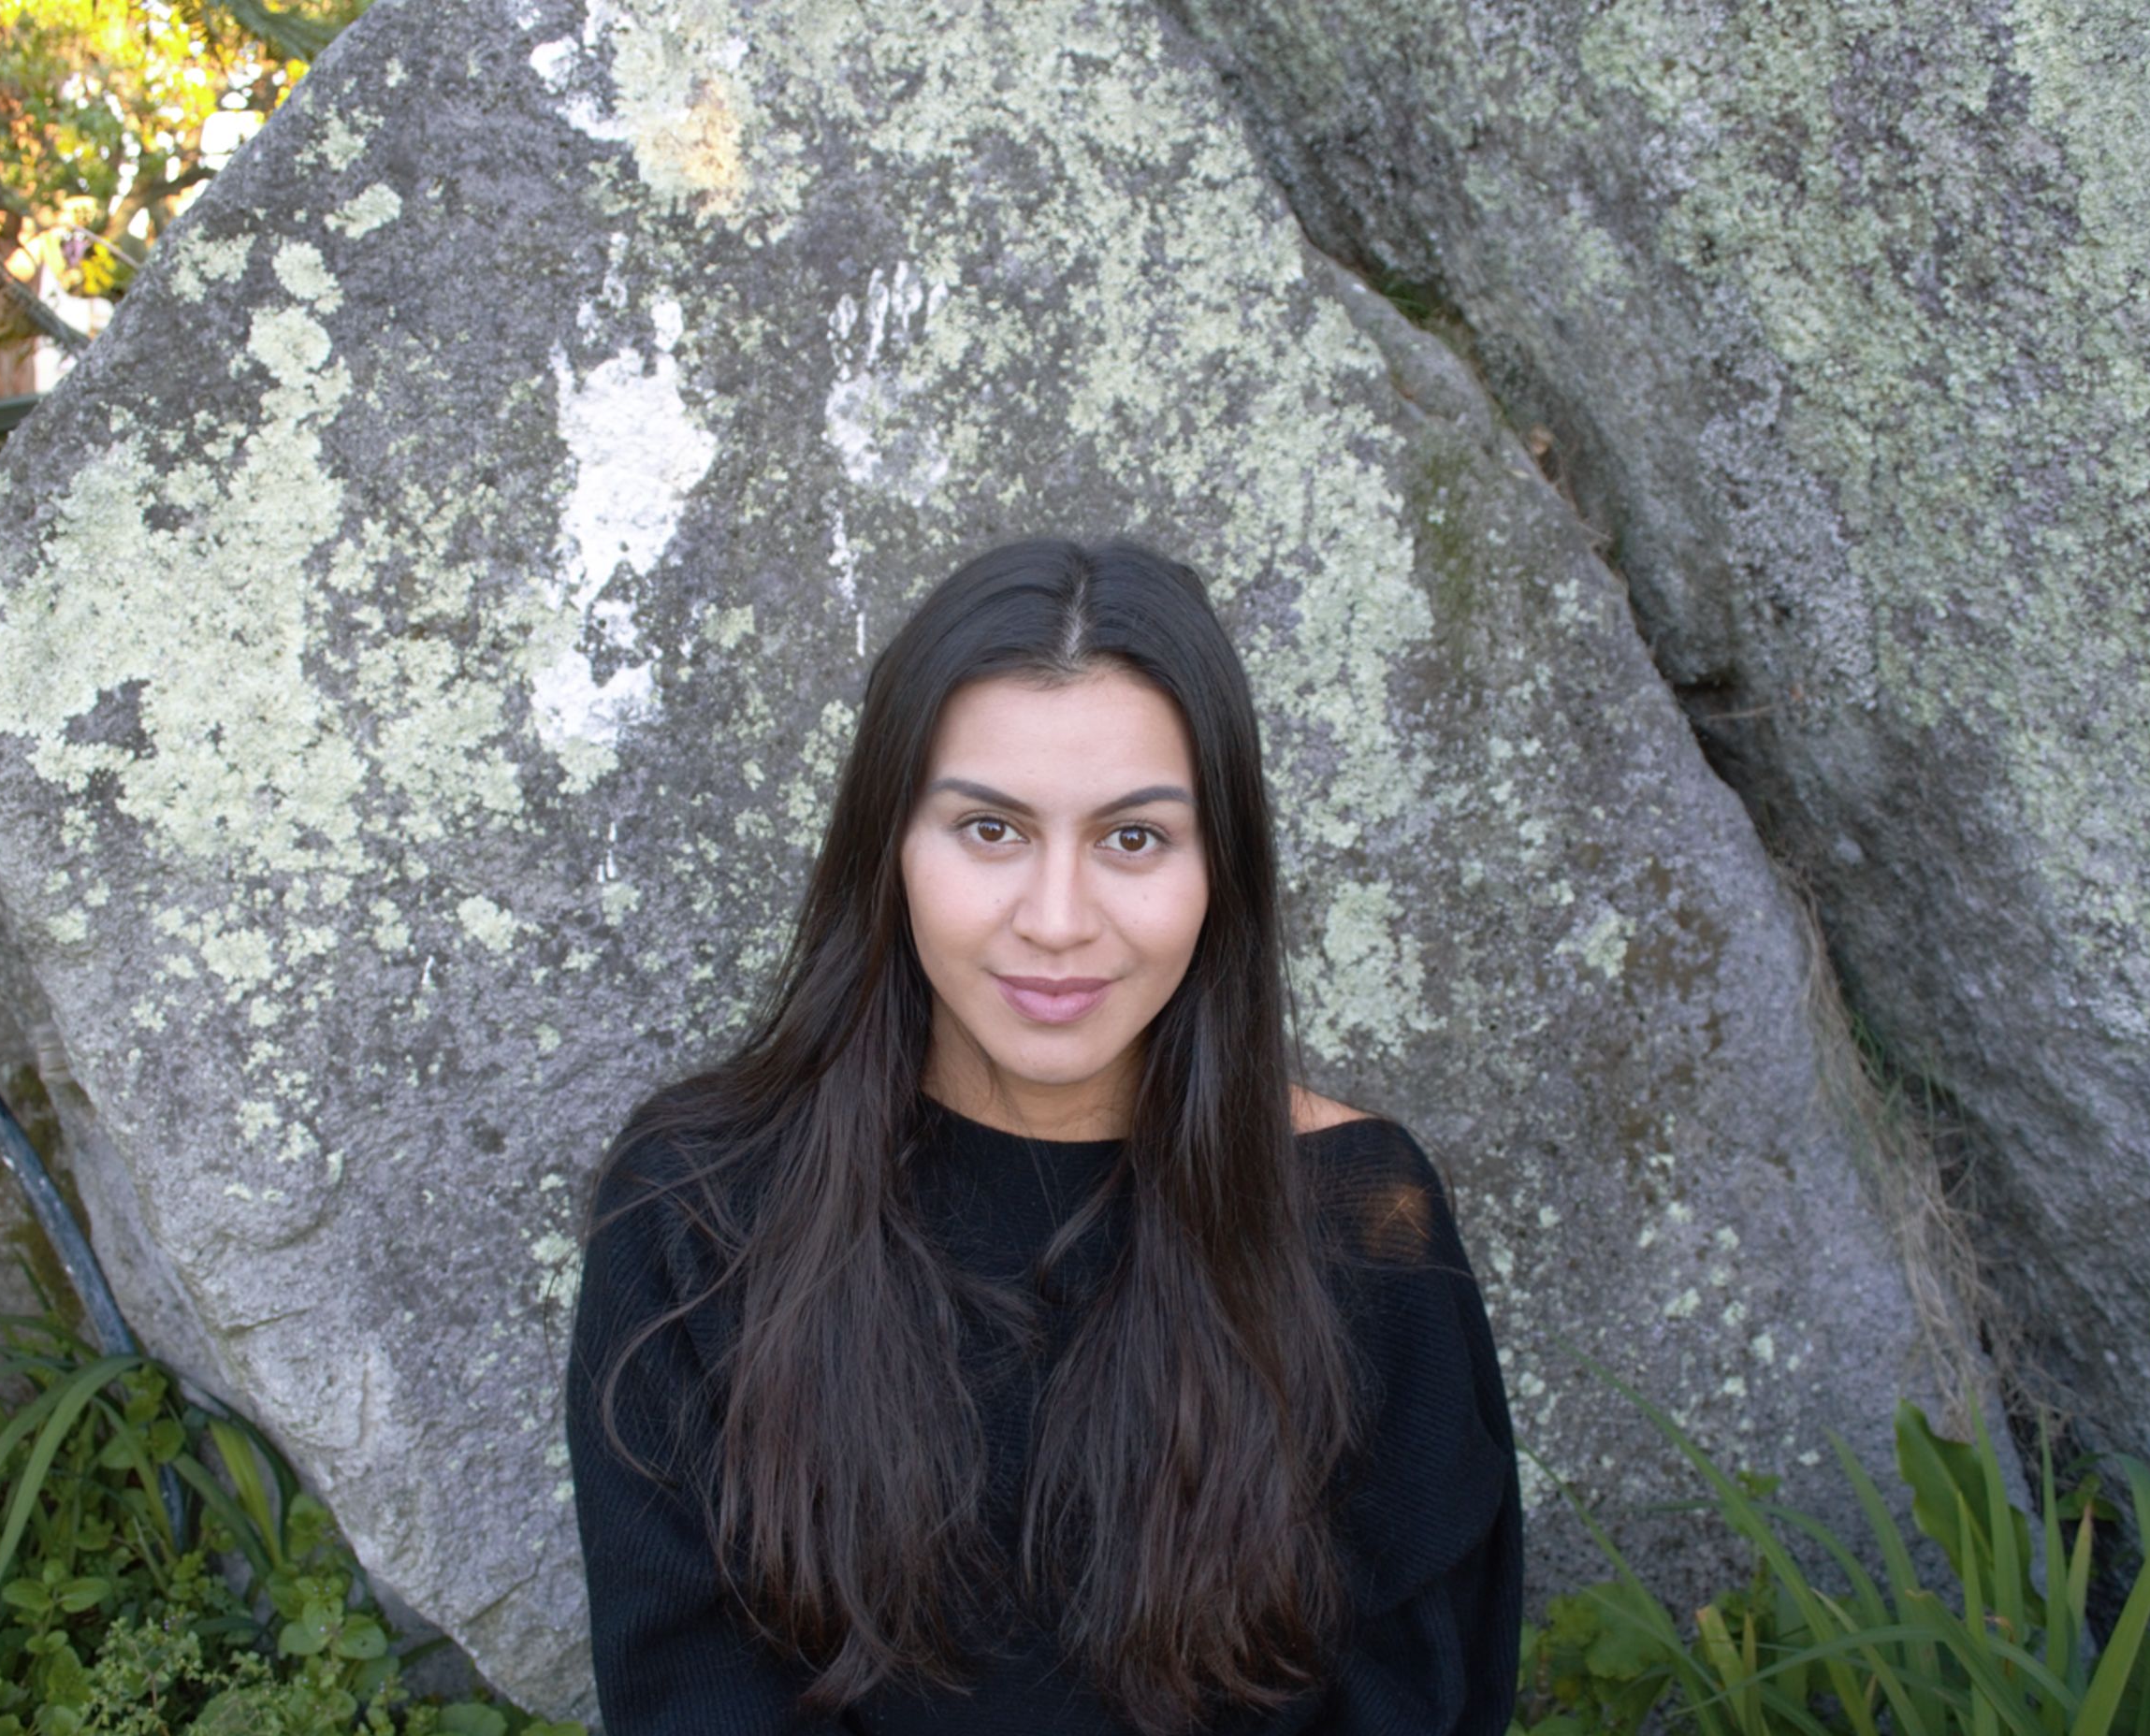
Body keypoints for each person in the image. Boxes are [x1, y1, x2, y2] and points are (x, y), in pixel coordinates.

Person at [565, 537, 1522, 1733]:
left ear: (1218, 867)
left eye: (1134, 837)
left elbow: (1417, 1699)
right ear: (892, 851)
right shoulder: (697, 1209)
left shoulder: (1358, 1219)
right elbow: (689, 1699)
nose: (1058, 920)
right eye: (991, 829)